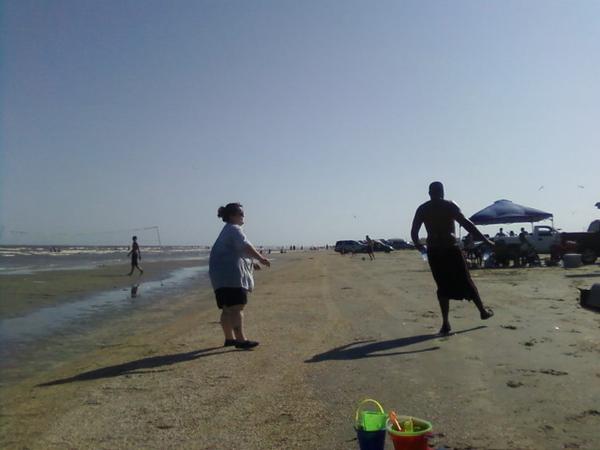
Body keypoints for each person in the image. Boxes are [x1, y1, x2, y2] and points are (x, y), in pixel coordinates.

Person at [411, 182, 495, 335]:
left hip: (434, 251)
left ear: (429, 193)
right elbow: (467, 224)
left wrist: (420, 248)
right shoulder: (449, 205)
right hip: (450, 248)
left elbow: (414, 232)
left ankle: (445, 323)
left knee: (442, 286)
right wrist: (485, 240)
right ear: (442, 192)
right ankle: (482, 311)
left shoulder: (423, 208)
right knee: (466, 280)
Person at [209, 203, 270, 349]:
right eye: (241, 214)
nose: (243, 216)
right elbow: (245, 246)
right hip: (231, 277)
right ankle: (241, 340)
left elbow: (235, 252)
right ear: (232, 216)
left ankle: (229, 339)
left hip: (219, 277)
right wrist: (261, 258)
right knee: (237, 308)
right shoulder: (234, 229)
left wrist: (252, 263)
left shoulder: (226, 231)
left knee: (226, 308)